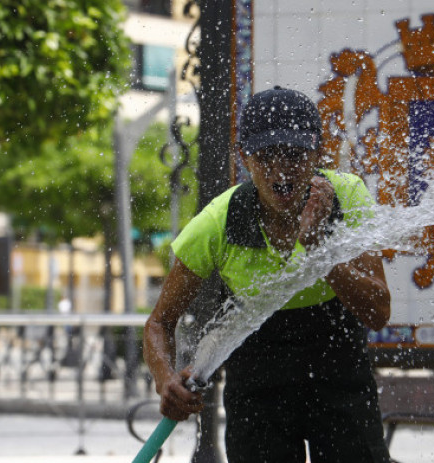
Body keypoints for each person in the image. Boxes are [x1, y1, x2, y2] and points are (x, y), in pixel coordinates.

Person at [143, 86, 392, 462]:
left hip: (339, 379)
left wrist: (321, 252)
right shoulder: (219, 221)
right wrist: (165, 379)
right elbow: (160, 321)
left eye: (294, 155)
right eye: (265, 157)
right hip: (258, 389)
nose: (281, 171)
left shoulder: (347, 196)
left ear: (318, 155)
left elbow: (378, 312)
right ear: (245, 158)